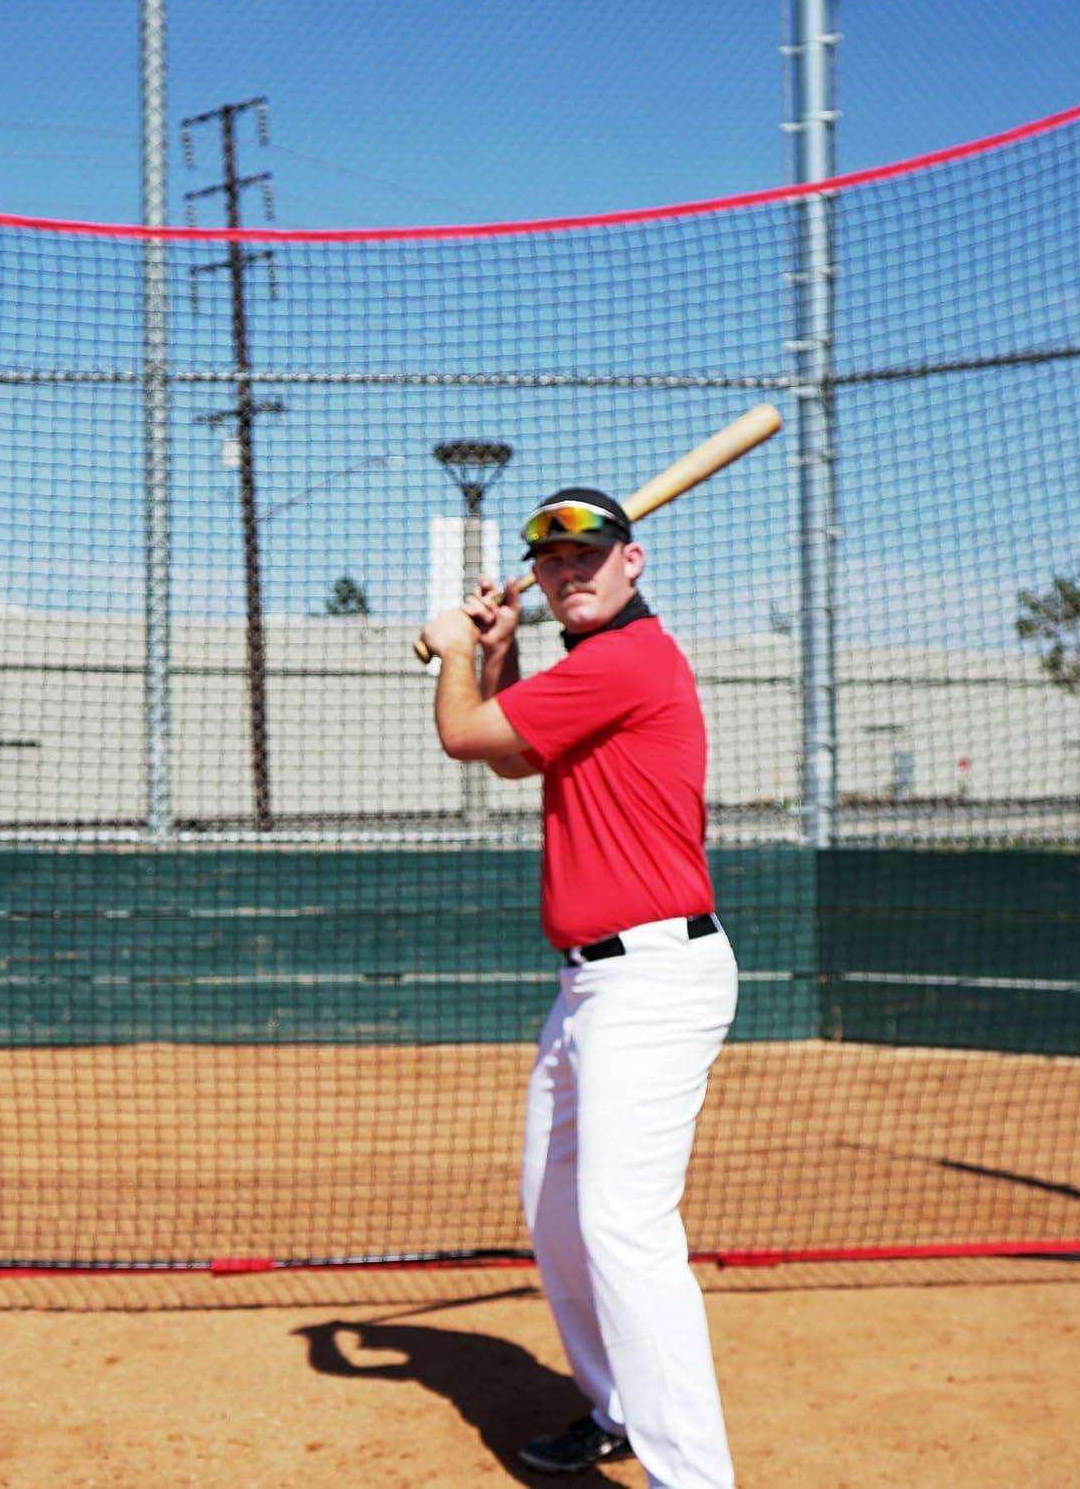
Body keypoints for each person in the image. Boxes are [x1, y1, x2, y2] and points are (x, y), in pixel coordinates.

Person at [417, 487, 738, 1488]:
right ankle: (617, 1411)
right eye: (551, 565)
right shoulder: (587, 671)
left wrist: (456, 644)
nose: (568, 574)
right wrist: (501, 648)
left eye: (588, 558)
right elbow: (514, 760)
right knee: (556, 1211)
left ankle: (695, 1478)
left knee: (625, 1230)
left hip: (655, 978)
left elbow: (465, 738)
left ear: (632, 564)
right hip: (594, 988)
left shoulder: (626, 660)